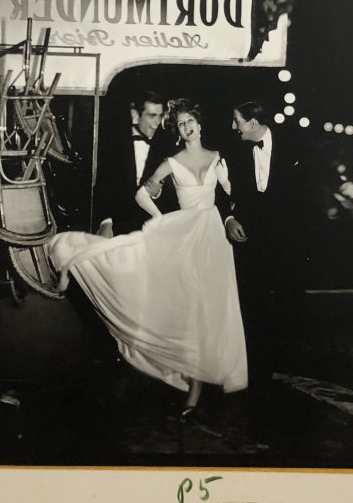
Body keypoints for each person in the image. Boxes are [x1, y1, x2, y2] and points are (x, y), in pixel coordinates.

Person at [49, 99, 247, 418]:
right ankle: (191, 384)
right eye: (180, 124)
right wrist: (161, 219)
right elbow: (143, 192)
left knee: (214, 304)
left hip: (211, 236)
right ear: (178, 131)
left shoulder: (218, 158)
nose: (187, 127)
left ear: (199, 123)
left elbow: (232, 195)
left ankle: (209, 375)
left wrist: (230, 216)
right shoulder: (171, 161)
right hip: (184, 233)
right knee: (190, 305)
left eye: (189, 121)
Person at [224, 100, 304, 386]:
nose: (234, 127)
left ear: (253, 124)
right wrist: (229, 219)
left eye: (237, 121)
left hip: (285, 241)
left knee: (284, 300)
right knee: (251, 301)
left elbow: (305, 191)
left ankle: (283, 360)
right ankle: (255, 367)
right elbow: (223, 192)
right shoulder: (233, 150)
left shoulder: (293, 144)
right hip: (250, 241)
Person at [93, 90, 168, 237]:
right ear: (135, 115)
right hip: (117, 228)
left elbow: (176, 194)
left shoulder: (165, 146)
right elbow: (102, 187)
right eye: (152, 116)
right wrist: (105, 223)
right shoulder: (113, 144)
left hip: (152, 230)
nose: (157, 123)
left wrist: (157, 193)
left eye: (160, 116)